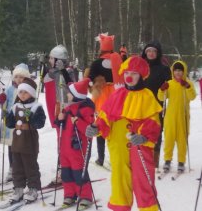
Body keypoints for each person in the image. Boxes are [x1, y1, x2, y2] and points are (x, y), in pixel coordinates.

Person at [86, 56, 162, 211]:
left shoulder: (147, 95)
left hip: (139, 144)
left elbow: (153, 121)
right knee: (119, 179)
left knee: (143, 180)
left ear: (141, 75)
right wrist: (96, 127)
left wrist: (144, 136)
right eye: (127, 72)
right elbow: (105, 116)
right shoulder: (117, 94)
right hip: (118, 143)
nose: (129, 76)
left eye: (134, 73)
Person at [85, 33, 124, 167]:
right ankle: (116, 156)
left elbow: (90, 78)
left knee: (100, 122)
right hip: (116, 94)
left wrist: (91, 85)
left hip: (101, 93)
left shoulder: (96, 63)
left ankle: (100, 158)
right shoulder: (118, 60)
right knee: (114, 122)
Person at [56, 77, 95, 208]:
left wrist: (78, 121)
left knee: (79, 172)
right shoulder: (68, 108)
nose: (67, 95)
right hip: (65, 148)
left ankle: (85, 196)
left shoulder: (86, 110)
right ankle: (69, 195)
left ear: (75, 96)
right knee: (66, 173)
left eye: (69, 93)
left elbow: (89, 130)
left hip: (78, 148)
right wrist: (59, 119)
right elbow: (60, 125)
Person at [6, 77, 46, 203]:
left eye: (25, 92)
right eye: (20, 92)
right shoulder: (15, 106)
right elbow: (10, 124)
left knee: (30, 166)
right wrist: (5, 115)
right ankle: (18, 188)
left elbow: (40, 124)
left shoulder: (36, 107)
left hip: (29, 141)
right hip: (17, 142)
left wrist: (32, 118)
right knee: (17, 165)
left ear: (31, 93)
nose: (22, 95)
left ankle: (33, 188)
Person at [158, 61, 196, 172]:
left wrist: (188, 87)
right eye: (176, 70)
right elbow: (161, 98)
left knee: (182, 140)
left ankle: (181, 161)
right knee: (169, 139)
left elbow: (192, 97)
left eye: (180, 70)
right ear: (172, 71)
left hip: (183, 116)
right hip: (170, 116)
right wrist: (162, 89)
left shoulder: (187, 83)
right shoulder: (170, 83)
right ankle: (167, 160)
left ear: (184, 71)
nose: (178, 72)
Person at [43, 44, 73, 184]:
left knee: (65, 140)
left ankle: (67, 171)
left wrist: (61, 71)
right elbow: (46, 80)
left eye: (52, 58)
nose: (50, 60)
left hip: (66, 110)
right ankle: (63, 170)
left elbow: (71, 87)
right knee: (60, 140)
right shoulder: (53, 72)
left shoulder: (69, 72)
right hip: (57, 108)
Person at [0, 63, 30, 182]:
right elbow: (3, 105)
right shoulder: (10, 89)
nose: (18, 79)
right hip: (11, 124)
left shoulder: (28, 90)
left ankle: (23, 169)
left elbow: (32, 105)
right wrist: (2, 101)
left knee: (22, 148)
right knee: (12, 148)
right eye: (16, 77)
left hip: (23, 124)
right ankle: (12, 168)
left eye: (21, 77)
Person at [141, 40, 171, 169]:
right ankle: (141, 157)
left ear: (158, 53)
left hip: (158, 103)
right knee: (140, 129)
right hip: (141, 103)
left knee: (157, 130)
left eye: (154, 51)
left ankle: (154, 160)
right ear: (145, 53)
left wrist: (167, 86)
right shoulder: (140, 66)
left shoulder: (164, 68)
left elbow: (171, 85)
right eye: (149, 51)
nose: (151, 53)